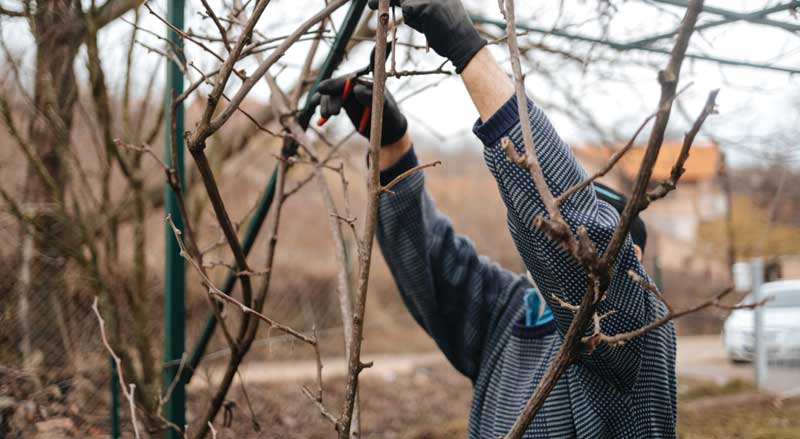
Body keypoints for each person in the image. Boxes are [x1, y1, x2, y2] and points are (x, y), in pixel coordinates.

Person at [313, 1, 675, 437]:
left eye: (578, 233)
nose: (559, 233)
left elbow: (586, 258)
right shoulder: (515, 315)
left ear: (631, 257)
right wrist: (393, 148)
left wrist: (468, 51)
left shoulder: (635, 332)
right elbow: (433, 269)